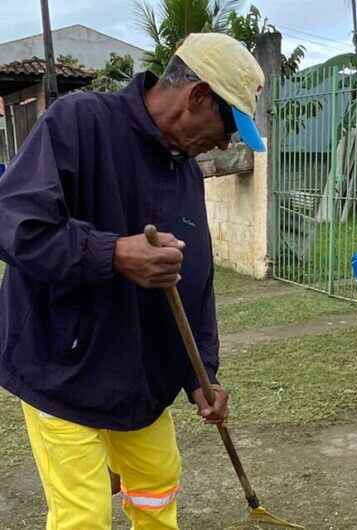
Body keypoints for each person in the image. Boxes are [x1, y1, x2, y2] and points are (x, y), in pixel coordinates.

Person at [0, 33, 265, 529]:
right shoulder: (80, 122)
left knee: (158, 486)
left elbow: (195, 283)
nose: (226, 143)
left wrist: (201, 376)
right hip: (61, 368)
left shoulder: (184, 171)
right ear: (198, 96)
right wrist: (112, 253)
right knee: (84, 515)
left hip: (138, 380)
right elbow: (16, 225)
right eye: (228, 124)